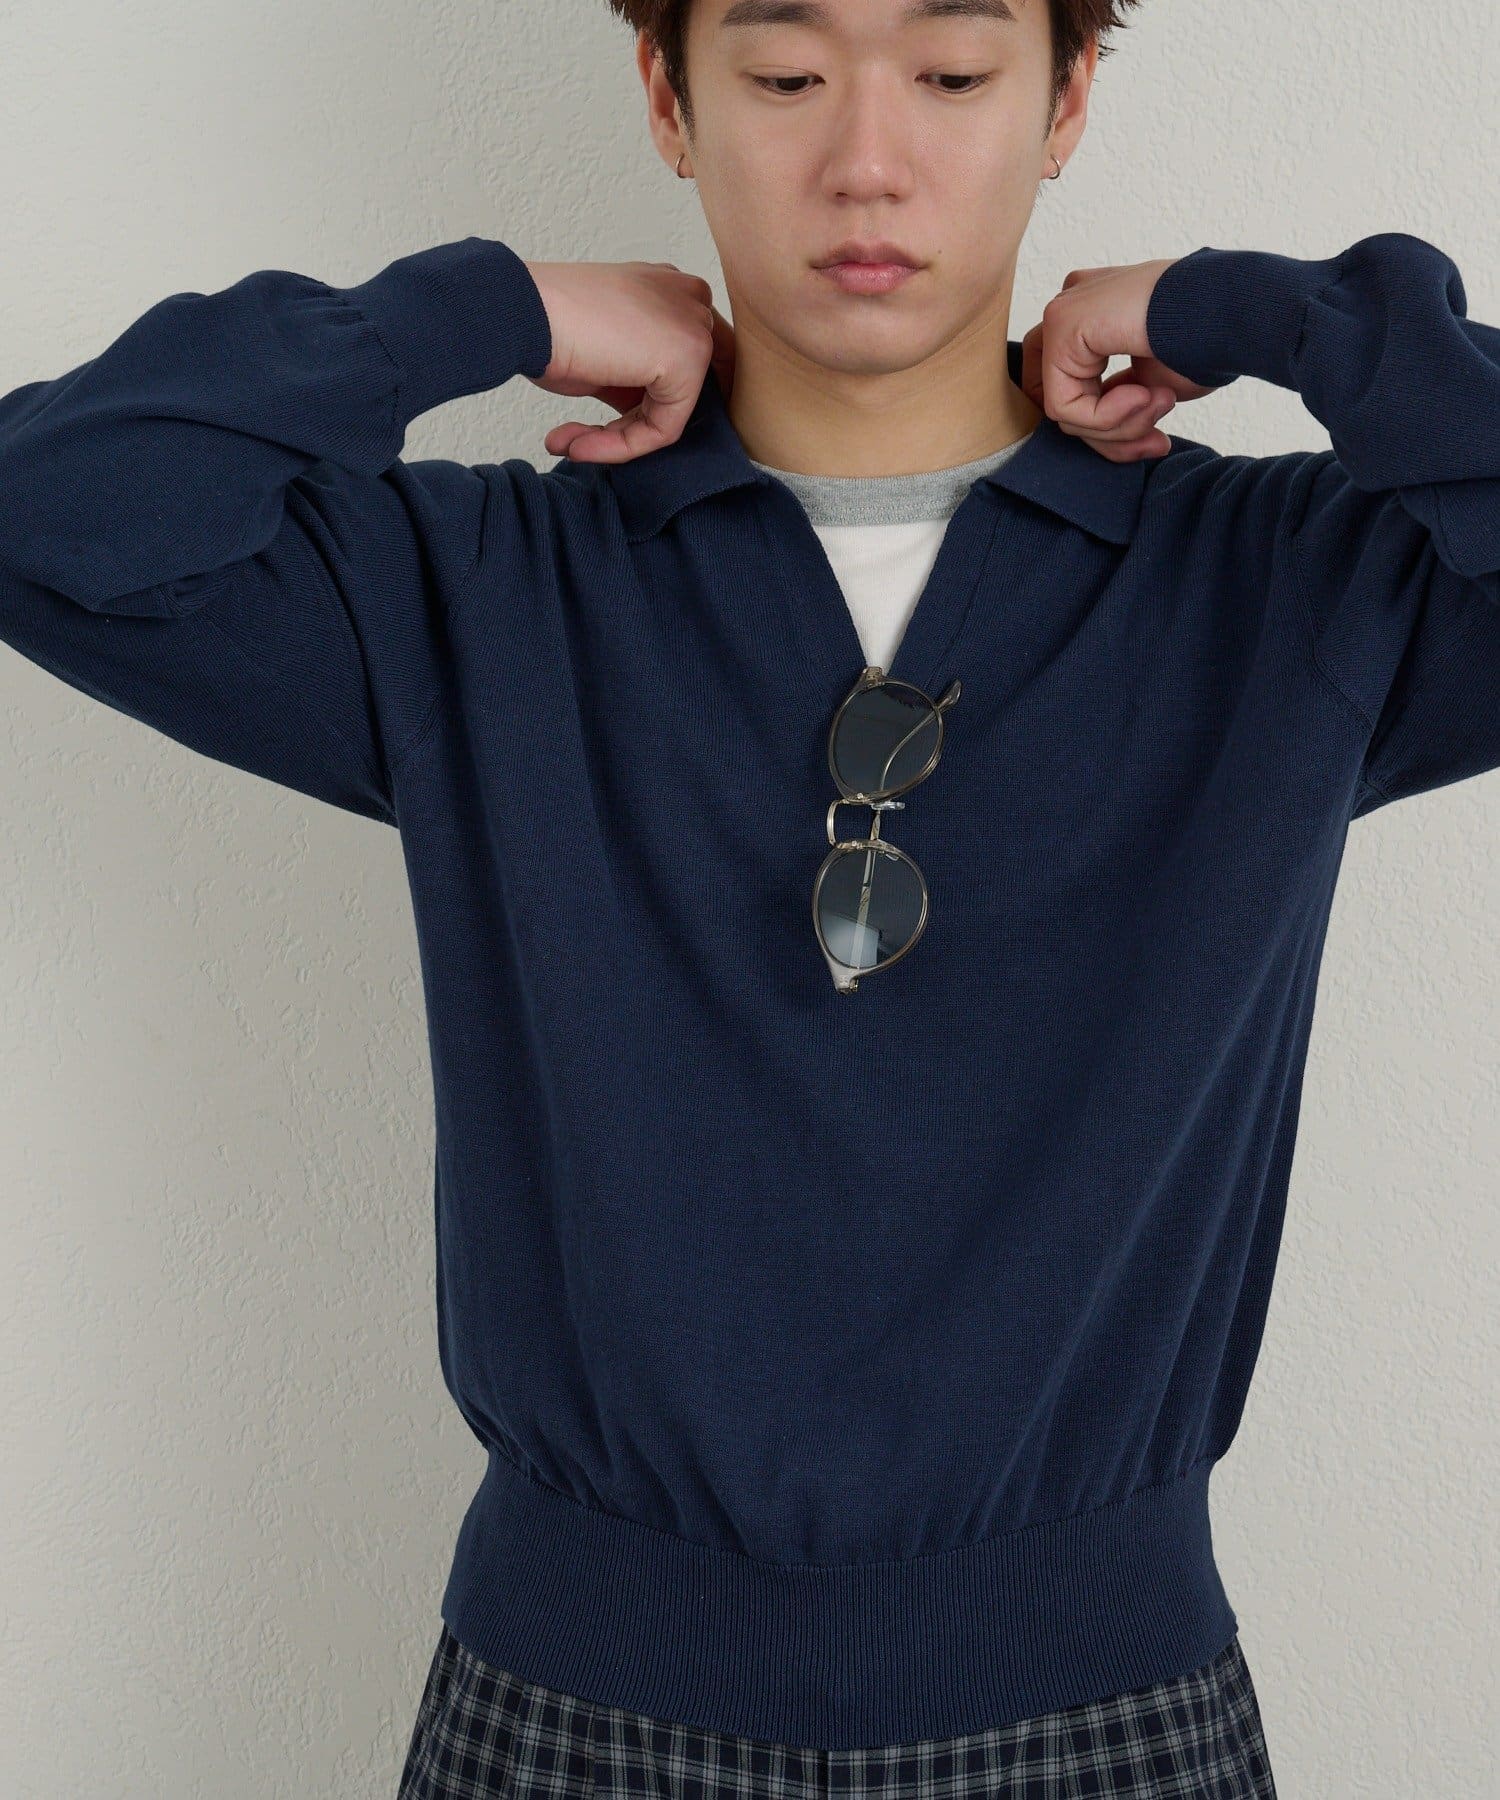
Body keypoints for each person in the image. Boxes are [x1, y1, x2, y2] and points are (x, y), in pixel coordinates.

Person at [3, 0, 1493, 1792]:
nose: (866, 160)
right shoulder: (476, 583)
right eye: (785, 77)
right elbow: (43, 509)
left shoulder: (1293, 585)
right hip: (567, 1714)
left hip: (1112, 1714)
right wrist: (479, 308)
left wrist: (1261, 313)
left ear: (1066, 100)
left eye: (953, 76)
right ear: (669, 93)